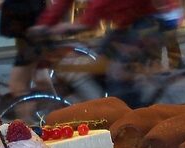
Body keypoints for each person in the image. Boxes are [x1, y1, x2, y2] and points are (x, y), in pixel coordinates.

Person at [31, 0, 172, 107]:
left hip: (149, 22)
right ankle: (106, 102)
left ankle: (128, 117)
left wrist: (74, 26)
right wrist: (44, 24)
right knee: (100, 64)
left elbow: (98, 8)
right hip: (126, 24)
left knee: (116, 75)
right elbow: (62, 4)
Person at [0, 0, 50, 112]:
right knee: (40, 78)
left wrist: (3, 4)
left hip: (31, 32)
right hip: (31, 32)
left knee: (18, 85)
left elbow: (27, 6)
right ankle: (60, 116)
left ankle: (30, 125)